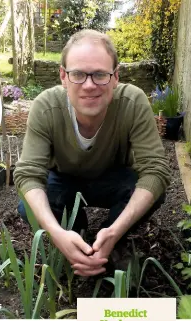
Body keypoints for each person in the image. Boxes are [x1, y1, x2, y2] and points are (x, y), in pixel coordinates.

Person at [14, 29, 170, 277]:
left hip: (113, 179)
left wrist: (115, 230)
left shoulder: (133, 102)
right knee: (28, 207)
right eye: (77, 74)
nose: (89, 85)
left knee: (151, 190)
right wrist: (57, 234)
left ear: (115, 77)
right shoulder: (46, 107)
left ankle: (109, 241)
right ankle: (76, 236)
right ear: (63, 77)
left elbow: (156, 170)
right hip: (64, 181)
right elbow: (28, 174)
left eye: (100, 74)